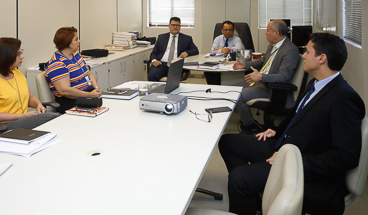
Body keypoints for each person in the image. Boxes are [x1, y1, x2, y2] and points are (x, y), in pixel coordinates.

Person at [220, 33, 365, 215]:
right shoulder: (316, 83)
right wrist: (277, 130)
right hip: (286, 145)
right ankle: (253, 200)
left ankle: (246, 191)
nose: (303, 55)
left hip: (302, 167)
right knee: (228, 143)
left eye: (307, 51)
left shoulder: (343, 98)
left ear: (321, 58)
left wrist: (289, 161)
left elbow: (346, 156)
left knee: (238, 178)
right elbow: (300, 117)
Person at [0, 38, 57, 139]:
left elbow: (29, 97)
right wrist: (23, 117)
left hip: (16, 123)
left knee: (52, 122)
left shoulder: (17, 74)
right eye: (18, 54)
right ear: (5, 56)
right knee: (52, 118)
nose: (23, 56)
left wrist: (38, 104)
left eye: (21, 52)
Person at [232, 19, 299, 132]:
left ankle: (250, 125)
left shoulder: (290, 50)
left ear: (276, 33)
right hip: (263, 82)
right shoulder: (272, 45)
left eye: (267, 30)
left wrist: (262, 77)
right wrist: (245, 65)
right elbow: (263, 62)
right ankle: (249, 123)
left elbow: (283, 77)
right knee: (232, 90)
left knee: (237, 96)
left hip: (272, 88)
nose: (265, 33)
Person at [45, 27, 101, 114]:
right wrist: (89, 96)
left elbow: (88, 74)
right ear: (68, 43)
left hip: (89, 96)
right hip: (72, 102)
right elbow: (65, 91)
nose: (79, 41)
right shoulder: (57, 63)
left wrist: (96, 89)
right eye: (76, 39)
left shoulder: (76, 55)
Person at [148, 17, 199, 81]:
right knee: (151, 75)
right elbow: (154, 53)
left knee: (173, 80)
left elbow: (195, 50)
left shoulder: (187, 38)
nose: (175, 27)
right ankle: (156, 90)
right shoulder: (161, 37)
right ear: (169, 26)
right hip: (161, 64)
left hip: (176, 65)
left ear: (180, 26)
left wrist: (187, 53)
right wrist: (154, 61)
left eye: (177, 25)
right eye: (173, 25)